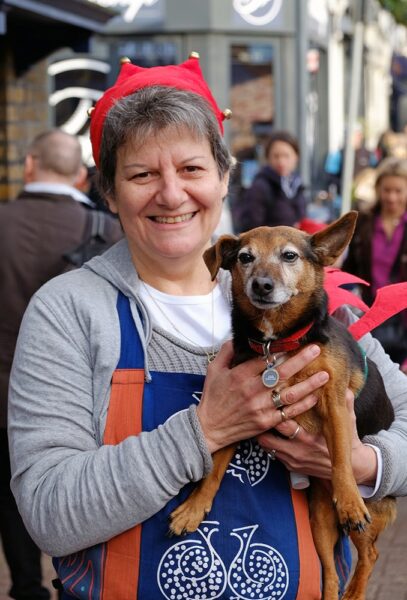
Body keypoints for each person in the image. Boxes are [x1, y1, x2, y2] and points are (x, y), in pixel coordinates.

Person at [7, 55, 407, 600]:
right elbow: (49, 512)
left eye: (192, 169)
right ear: (108, 192)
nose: (171, 195)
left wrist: (360, 462)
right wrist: (204, 430)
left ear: (224, 178)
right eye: (142, 173)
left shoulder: (316, 301)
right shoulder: (71, 312)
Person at [0, 129, 122, 600]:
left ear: (30, 165)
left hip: (2, 390)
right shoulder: (108, 231)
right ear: (78, 174)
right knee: (87, 492)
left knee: (13, 498)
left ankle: (28, 587)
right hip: (92, 395)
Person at [343, 157, 407, 373]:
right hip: (372, 313)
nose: (392, 197)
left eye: (398, 190)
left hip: (404, 319)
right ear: (378, 189)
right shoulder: (365, 222)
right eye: (386, 190)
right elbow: (349, 270)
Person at [234, 130, 307, 232]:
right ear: (268, 158)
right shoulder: (260, 186)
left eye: (286, 156)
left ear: (296, 157)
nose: (281, 161)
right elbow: (252, 227)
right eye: (276, 156)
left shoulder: (297, 185)